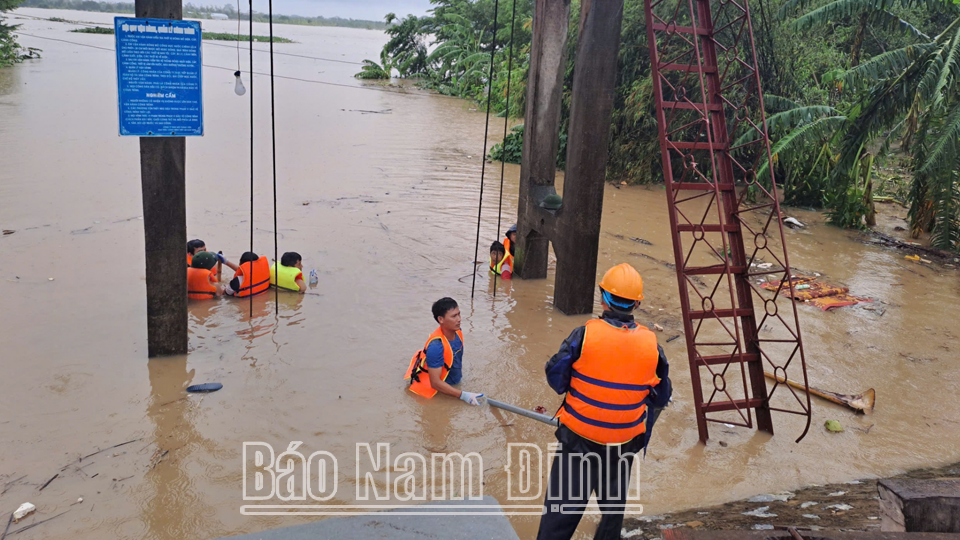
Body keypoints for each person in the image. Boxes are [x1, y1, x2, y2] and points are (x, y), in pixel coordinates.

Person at [537, 263, 672, 540]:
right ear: (636, 303)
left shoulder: (583, 336)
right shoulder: (652, 347)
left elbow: (555, 377)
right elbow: (662, 396)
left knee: (559, 517)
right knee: (612, 515)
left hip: (578, 441)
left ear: (602, 298)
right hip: (622, 445)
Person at [403, 297, 484, 406]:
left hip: (455, 382)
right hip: (441, 392)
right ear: (441, 319)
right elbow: (435, 383)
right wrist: (463, 395)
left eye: (459, 314)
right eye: (454, 316)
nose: (459, 319)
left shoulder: (458, 331)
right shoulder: (436, 347)